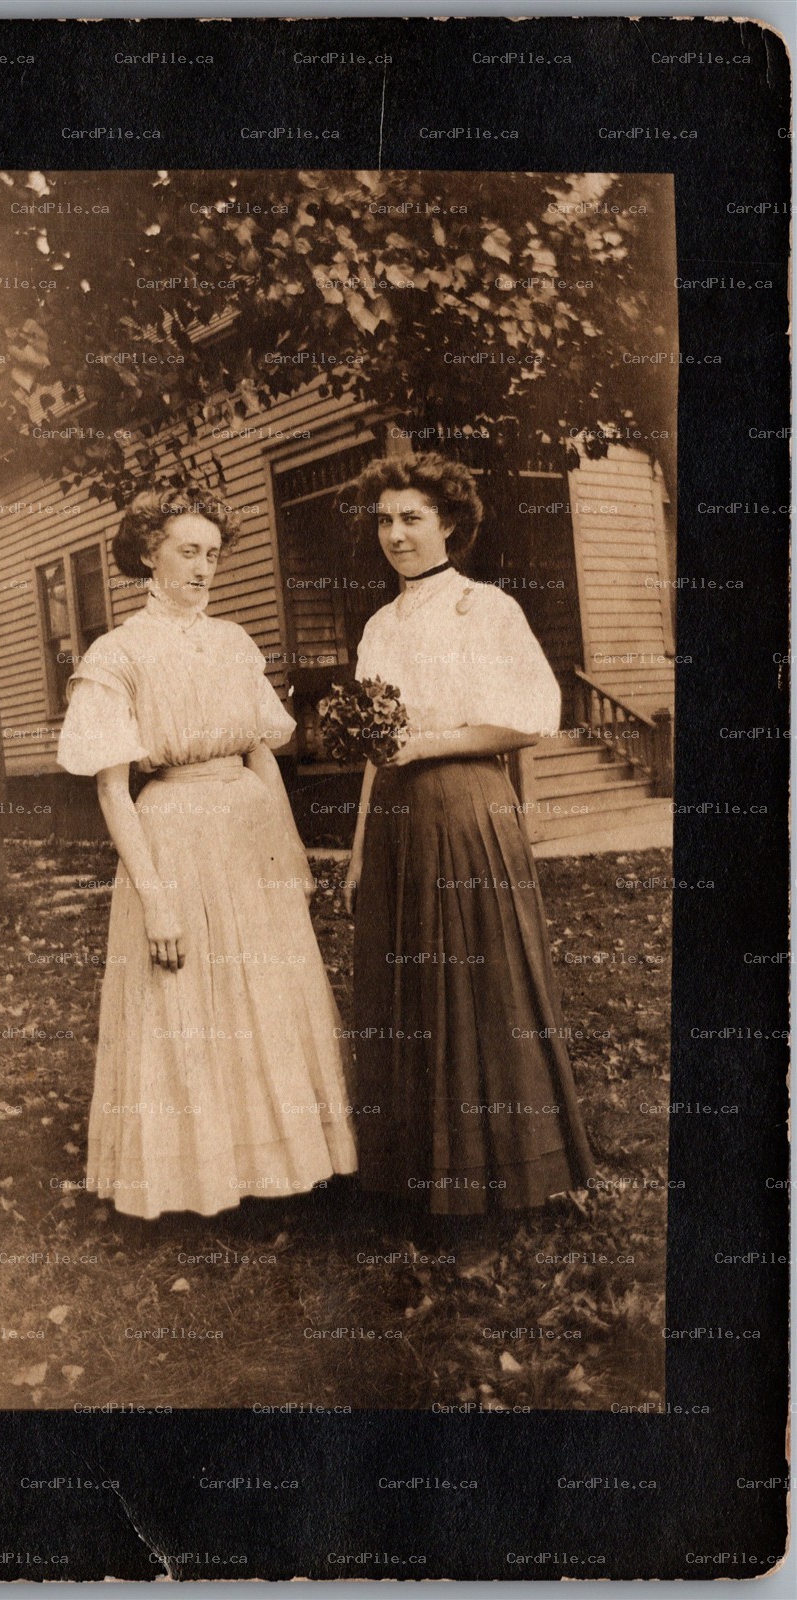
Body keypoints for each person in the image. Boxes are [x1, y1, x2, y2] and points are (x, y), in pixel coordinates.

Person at [56, 484, 356, 1221]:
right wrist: (155, 895)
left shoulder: (233, 643)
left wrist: (291, 860)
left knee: (266, 992)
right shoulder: (117, 653)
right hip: (175, 834)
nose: (203, 567)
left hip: (248, 834)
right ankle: (199, 1176)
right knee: (190, 998)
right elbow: (112, 791)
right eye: (188, 551)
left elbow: (262, 757)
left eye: (213, 554)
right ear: (148, 556)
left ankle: (285, 1164)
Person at [342, 452, 594, 1233]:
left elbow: (530, 717)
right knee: (405, 987)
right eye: (384, 519)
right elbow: (373, 746)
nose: (396, 533)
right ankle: (419, 1174)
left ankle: (507, 1174)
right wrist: (356, 849)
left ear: (449, 523)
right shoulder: (380, 623)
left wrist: (431, 745)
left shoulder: (485, 609)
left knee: (479, 984)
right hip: (392, 819)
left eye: (412, 517)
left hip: (467, 807)